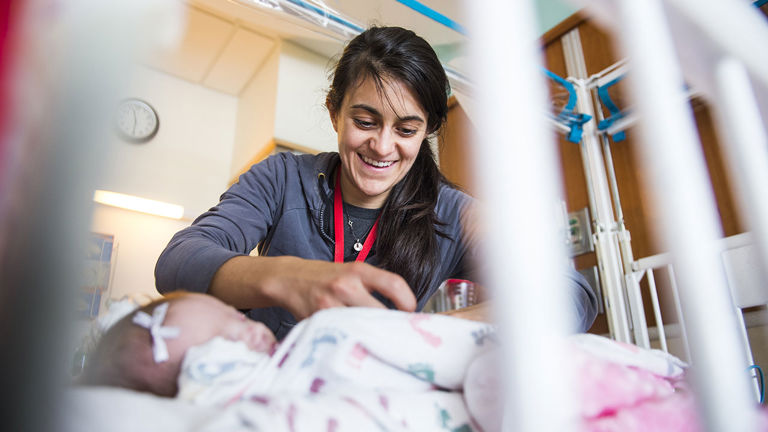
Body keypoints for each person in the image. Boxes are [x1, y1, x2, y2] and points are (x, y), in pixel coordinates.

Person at [154, 26, 598, 340]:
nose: (383, 147)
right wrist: (288, 277)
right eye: (365, 121)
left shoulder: (454, 214)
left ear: (426, 131)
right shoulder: (280, 179)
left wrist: (424, 333)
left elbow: (572, 296)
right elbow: (178, 261)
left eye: (406, 130)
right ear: (334, 112)